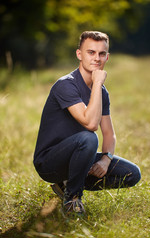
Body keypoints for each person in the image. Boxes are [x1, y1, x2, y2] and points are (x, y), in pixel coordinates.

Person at [33, 31, 141, 215]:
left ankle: (67, 184)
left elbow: (108, 133)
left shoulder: (102, 92)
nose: (96, 58)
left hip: (79, 155)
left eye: (101, 54)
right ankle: (72, 199)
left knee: (132, 174)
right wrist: (97, 84)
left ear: (107, 57)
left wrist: (106, 161)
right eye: (91, 52)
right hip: (50, 162)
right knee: (89, 138)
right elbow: (91, 124)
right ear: (79, 54)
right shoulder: (65, 85)